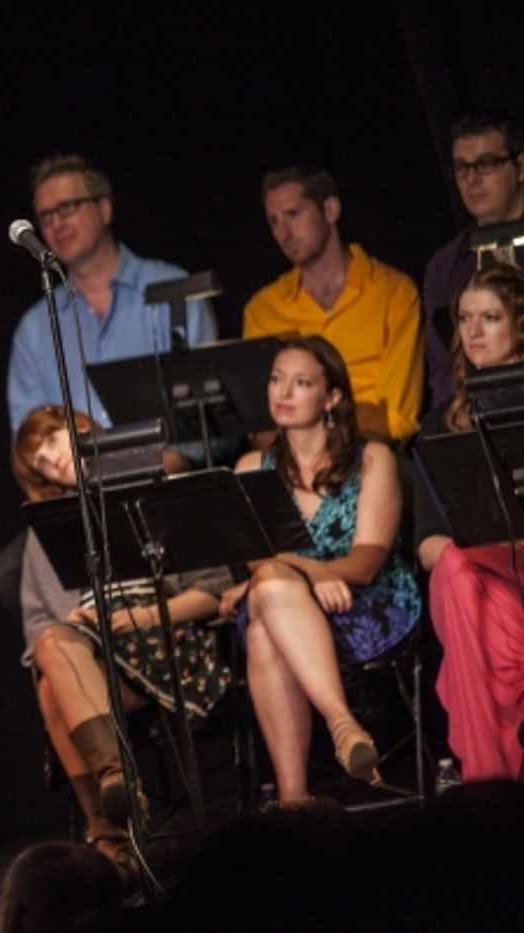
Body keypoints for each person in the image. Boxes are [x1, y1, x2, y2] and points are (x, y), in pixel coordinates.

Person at [13, 404, 231, 873]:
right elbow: (38, 627)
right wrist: (80, 625)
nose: (54, 461)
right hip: (91, 654)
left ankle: (109, 835)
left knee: (53, 685)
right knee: (51, 660)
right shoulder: (50, 526)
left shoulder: (156, 491)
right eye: (43, 462)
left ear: (84, 429)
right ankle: (117, 781)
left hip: (168, 643)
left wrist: (144, 617)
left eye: (53, 442)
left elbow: (212, 593)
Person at [220, 336, 421, 805]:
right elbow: (259, 559)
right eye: (276, 379)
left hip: (365, 603)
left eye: (302, 382)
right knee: (269, 598)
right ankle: (342, 724)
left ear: (331, 398)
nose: (283, 393)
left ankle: (294, 801)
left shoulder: (373, 459)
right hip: (289, 602)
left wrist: (287, 573)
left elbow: (367, 563)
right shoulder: (252, 466)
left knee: (265, 613)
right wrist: (309, 571)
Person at [6, 154, 218, 435]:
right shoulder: (34, 330)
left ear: (104, 208)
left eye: (67, 207)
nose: (56, 224)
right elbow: (30, 439)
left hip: (176, 474)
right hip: (79, 479)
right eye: (45, 216)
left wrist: (168, 463)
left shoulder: (174, 286)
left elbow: (214, 410)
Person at [415, 262, 524, 782]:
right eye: (464, 319)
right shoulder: (441, 424)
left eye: (490, 318)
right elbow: (427, 542)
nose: (473, 332)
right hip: (480, 584)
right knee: (454, 568)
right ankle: (487, 777)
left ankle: (487, 780)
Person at [244, 167, 424, 443]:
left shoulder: (393, 291)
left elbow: (398, 414)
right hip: (295, 459)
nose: (283, 233)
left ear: (330, 210)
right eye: (273, 221)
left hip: (373, 451)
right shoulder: (262, 310)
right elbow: (260, 423)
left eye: (293, 215)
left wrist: (333, 451)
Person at [422, 113, 524, 410]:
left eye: (486, 164)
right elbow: (442, 368)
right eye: (461, 168)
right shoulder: (446, 266)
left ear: (519, 167)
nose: (471, 179)